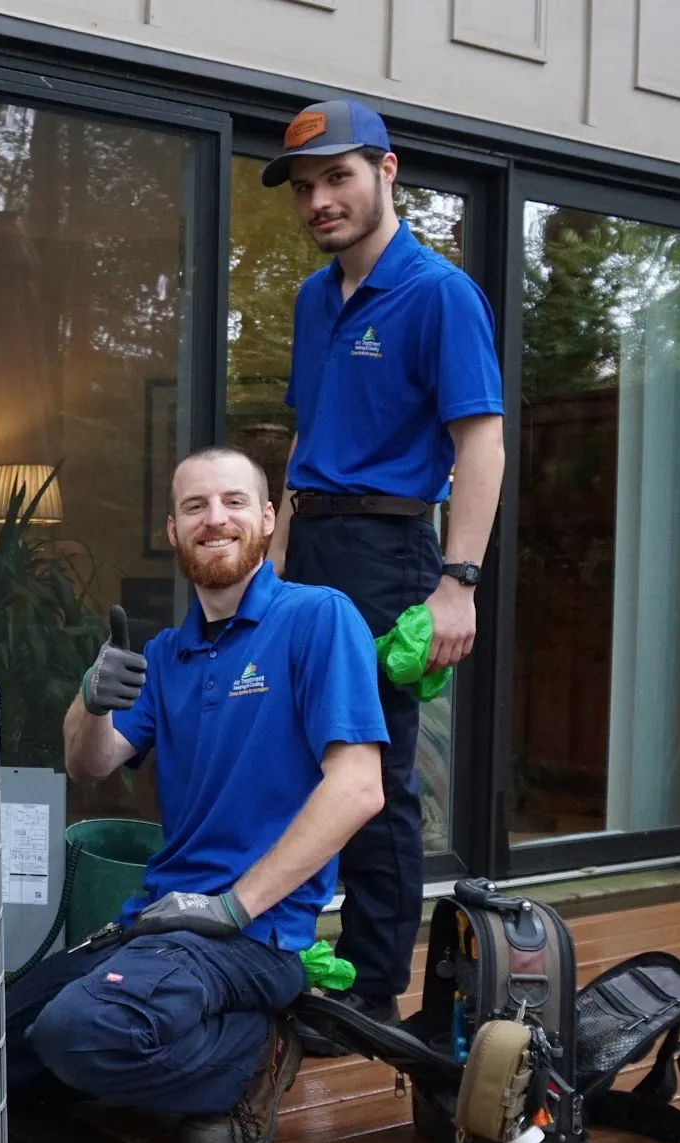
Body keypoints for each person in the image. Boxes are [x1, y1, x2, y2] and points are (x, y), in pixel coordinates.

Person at [5, 447, 386, 1143]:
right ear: (173, 532)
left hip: (257, 935)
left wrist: (233, 907)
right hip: (157, 922)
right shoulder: (165, 654)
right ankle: (169, 1043)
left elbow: (358, 787)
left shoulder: (317, 618)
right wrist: (89, 700)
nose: (216, 518)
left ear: (267, 519)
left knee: (74, 1032)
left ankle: (253, 1051)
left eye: (234, 501)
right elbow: (88, 764)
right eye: (195, 506)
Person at [261, 99, 507, 1041]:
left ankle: (371, 991)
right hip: (312, 546)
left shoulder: (439, 294)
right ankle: (293, 954)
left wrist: (458, 582)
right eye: (305, 187)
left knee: (373, 771)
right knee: (297, 758)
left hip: (390, 552)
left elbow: (479, 442)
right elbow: (306, 441)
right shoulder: (312, 299)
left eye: (338, 177)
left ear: (386, 170)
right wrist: (274, 561)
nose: (319, 201)